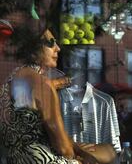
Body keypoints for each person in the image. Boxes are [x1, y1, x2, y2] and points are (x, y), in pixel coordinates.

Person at [0, 28, 110, 164]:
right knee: (108, 152)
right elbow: (64, 150)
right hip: (43, 160)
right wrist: (76, 153)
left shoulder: (10, 81)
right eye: (51, 43)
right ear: (34, 51)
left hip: (14, 159)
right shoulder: (42, 84)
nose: (57, 48)